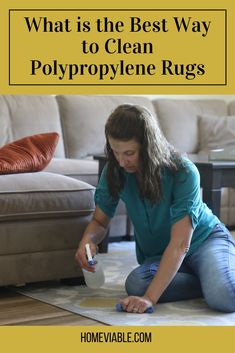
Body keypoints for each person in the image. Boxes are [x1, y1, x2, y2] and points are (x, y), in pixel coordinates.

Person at [75, 104, 235, 314]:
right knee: (137, 283)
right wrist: (88, 241)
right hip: (160, 254)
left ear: (148, 147)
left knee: (224, 296)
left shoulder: (183, 172)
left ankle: (215, 276)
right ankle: (206, 278)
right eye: (115, 152)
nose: (122, 161)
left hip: (204, 241)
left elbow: (179, 244)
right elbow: (99, 221)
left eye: (129, 153)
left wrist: (149, 298)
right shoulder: (114, 171)